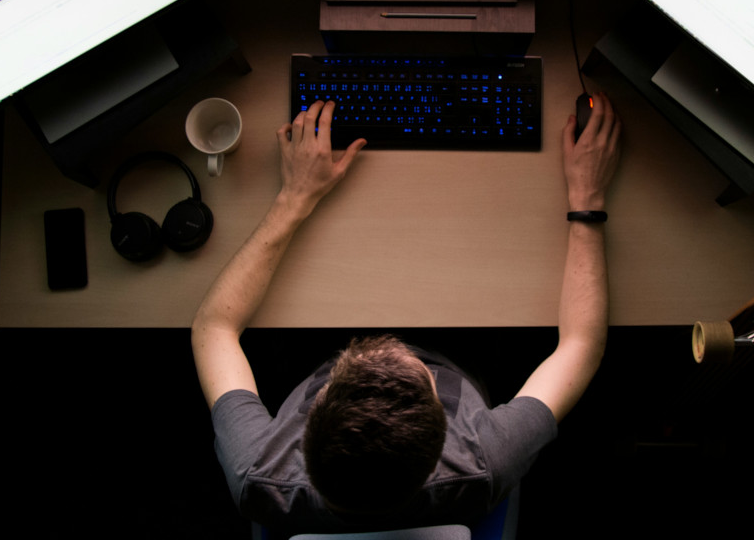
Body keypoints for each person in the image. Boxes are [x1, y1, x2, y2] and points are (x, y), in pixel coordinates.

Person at [192, 94, 622, 535]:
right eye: (420, 376)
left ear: (312, 413)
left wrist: (294, 196)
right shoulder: (484, 459)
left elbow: (213, 327)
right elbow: (581, 344)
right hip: (466, 352)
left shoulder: (257, 471)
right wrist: (588, 197)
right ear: (442, 436)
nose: (397, 345)